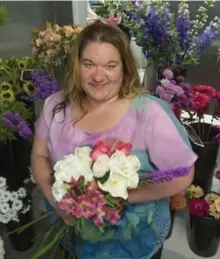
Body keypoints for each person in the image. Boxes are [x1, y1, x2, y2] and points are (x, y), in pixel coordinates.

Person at [31, 20, 197, 259]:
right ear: (76, 65)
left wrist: (117, 197)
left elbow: (183, 174)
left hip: (136, 246)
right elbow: (39, 155)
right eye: (89, 64)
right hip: (73, 241)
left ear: (124, 68)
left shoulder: (148, 113)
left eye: (110, 65)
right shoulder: (55, 106)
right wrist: (56, 202)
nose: (98, 76)